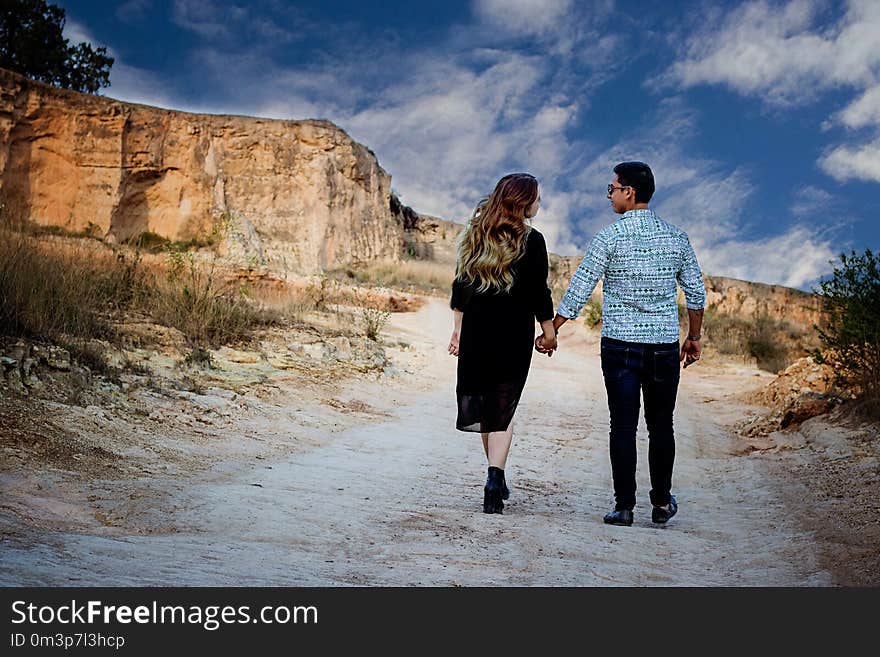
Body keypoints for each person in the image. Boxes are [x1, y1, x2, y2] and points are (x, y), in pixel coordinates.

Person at [537, 161, 706, 526]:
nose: (609, 195)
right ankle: (661, 504)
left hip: (620, 345)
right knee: (662, 426)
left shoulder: (608, 237)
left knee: (622, 426)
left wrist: (553, 328)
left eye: (612, 188)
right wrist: (692, 337)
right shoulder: (677, 237)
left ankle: (624, 506)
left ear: (629, 192)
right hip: (662, 346)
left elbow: (581, 286)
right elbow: (696, 295)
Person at [449, 173, 557, 514]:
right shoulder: (533, 240)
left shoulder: (474, 234)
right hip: (513, 333)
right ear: (524, 203)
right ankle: (495, 477)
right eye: (537, 199)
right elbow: (539, 291)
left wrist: (456, 331)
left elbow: (461, 287)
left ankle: (497, 475)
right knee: (503, 405)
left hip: (477, 332)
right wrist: (549, 330)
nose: (539, 204)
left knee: (485, 407)